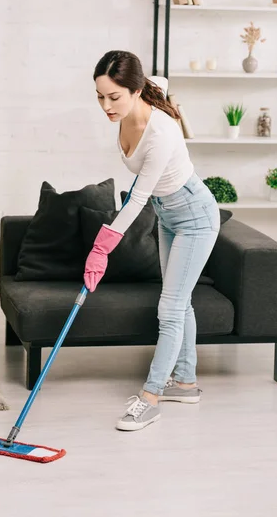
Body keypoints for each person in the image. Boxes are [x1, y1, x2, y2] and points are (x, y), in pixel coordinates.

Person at [84, 50, 220, 431]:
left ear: (135, 90)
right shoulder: (142, 95)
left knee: (170, 308)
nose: (106, 106)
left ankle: (151, 396)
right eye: (100, 96)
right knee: (180, 302)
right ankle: (187, 383)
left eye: (114, 97)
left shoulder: (161, 132)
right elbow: (160, 82)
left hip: (194, 215)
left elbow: (138, 198)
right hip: (168, 214)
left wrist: (102, 246)